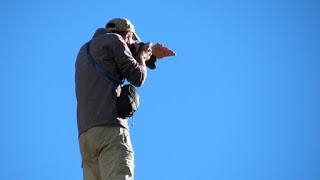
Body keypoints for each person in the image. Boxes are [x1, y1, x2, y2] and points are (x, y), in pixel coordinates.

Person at [75, 17, 175, 180]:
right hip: (110, 130)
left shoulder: (85, 50)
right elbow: (137, 77)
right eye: (130, 41)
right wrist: (142, 57)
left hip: (86, 136)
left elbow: (114, 62)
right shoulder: (115, 40)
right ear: (127, 35)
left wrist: (151, 55)